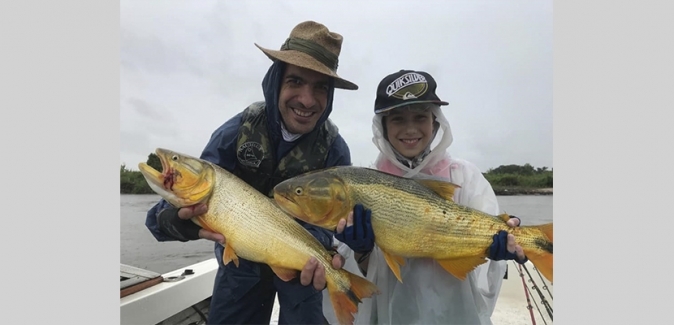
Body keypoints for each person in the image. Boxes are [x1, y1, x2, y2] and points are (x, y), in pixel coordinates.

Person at [144, 21, 358, 325]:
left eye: (320, 87)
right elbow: (164, 216)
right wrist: (178, 222)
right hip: (238, 268)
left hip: (302, 272)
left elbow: (332, 223)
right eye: (296, 81)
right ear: (276, 81)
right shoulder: (235, 133)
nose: (307, 100)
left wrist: (322, 247)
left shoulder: (335, 150)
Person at [331, 69, 529, 325]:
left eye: (420, 117)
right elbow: (360, 278)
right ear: (383, 126)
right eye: (398, 119)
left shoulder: (464, 177)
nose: (410, 128)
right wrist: (361, 251)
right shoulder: (365, 185)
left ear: (435, 122)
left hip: (457, 314)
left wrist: (501, 248)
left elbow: (485, 263)